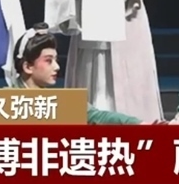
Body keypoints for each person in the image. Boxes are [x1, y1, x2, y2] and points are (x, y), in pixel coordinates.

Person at [11, 23, 167, 125]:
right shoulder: (5, 104)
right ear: (28, 66)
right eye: (48, 61)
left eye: (56, 60)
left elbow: (98, 117)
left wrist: (139, 124)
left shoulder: (54, 101)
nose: (57, 67)